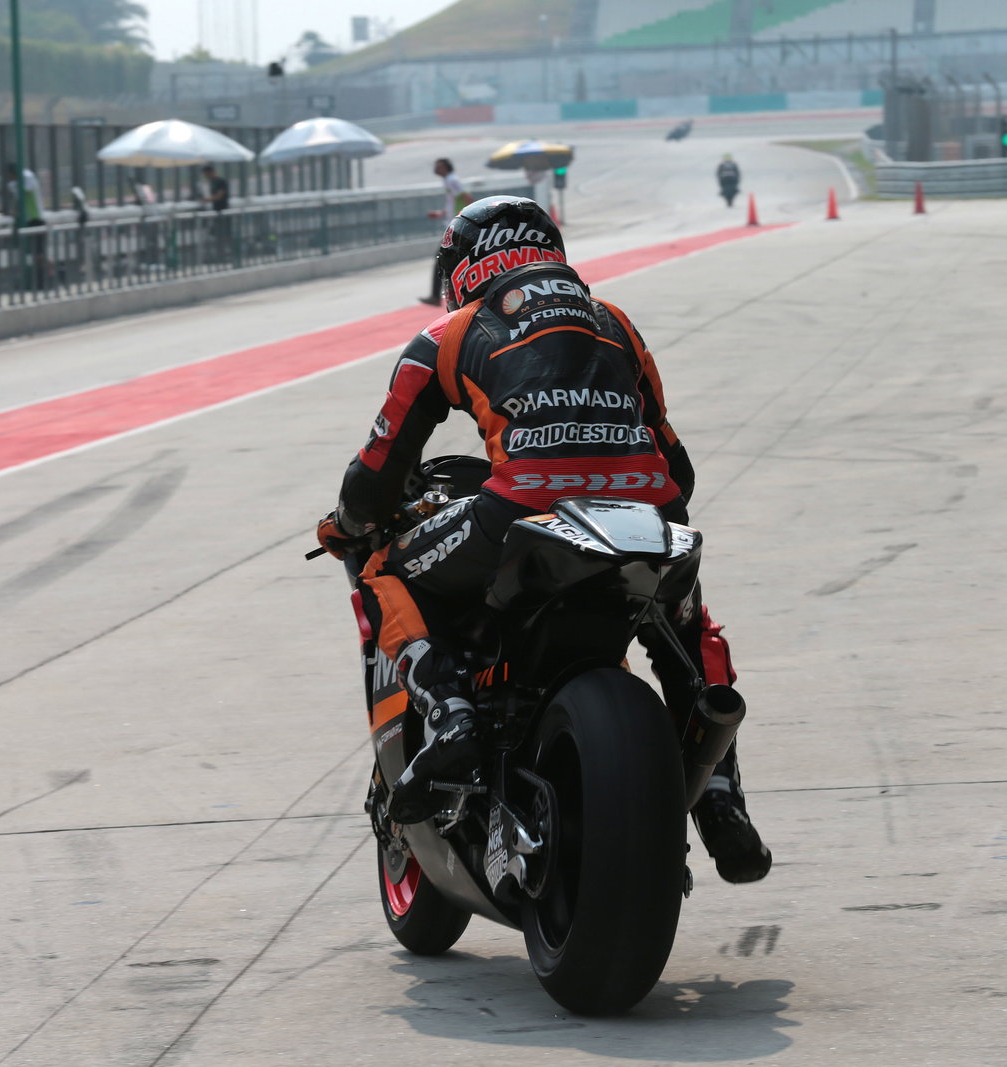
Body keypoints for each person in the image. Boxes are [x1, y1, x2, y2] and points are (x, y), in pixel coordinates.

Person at [316, 195, 771, 885]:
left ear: (464, 267)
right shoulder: (613, 321)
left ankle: (451, 713)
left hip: (518, 509)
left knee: (385, 569)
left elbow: (376, 473)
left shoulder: (448, 334)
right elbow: (678, 466)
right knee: (685, 631)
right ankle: (720, 796)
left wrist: (347, 524)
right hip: (649, 512)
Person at [420, 158, 471, 307]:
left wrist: (469, 218)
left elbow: (467, 198)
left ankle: (436, 296)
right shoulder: (449, 181)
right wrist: (440, 213)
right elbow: (453, 203)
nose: (436, 169)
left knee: (440, 260)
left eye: (439, 167)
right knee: (449, 261)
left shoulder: (451, 180)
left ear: (446, 168)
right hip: (455, 225)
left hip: (456, 227)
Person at [3, 161, 50, 288]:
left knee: (38, 254)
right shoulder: (16, 183)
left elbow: (25, 190)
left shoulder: (27, 177)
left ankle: (46, 278)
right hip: (27, 221)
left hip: (37, 219)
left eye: (10, 175)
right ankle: (37, 279)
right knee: (32, 253)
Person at [200, 164, 232, 261]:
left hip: (224, 211)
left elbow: (219, 196)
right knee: (217, 234)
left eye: (206, 174)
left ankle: (228, 254)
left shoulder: (221, 181)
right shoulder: (212, 182)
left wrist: (206, 199)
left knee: (225, 234)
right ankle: (221, 254)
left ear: (209, 172)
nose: (206, 176)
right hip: (217, 212)